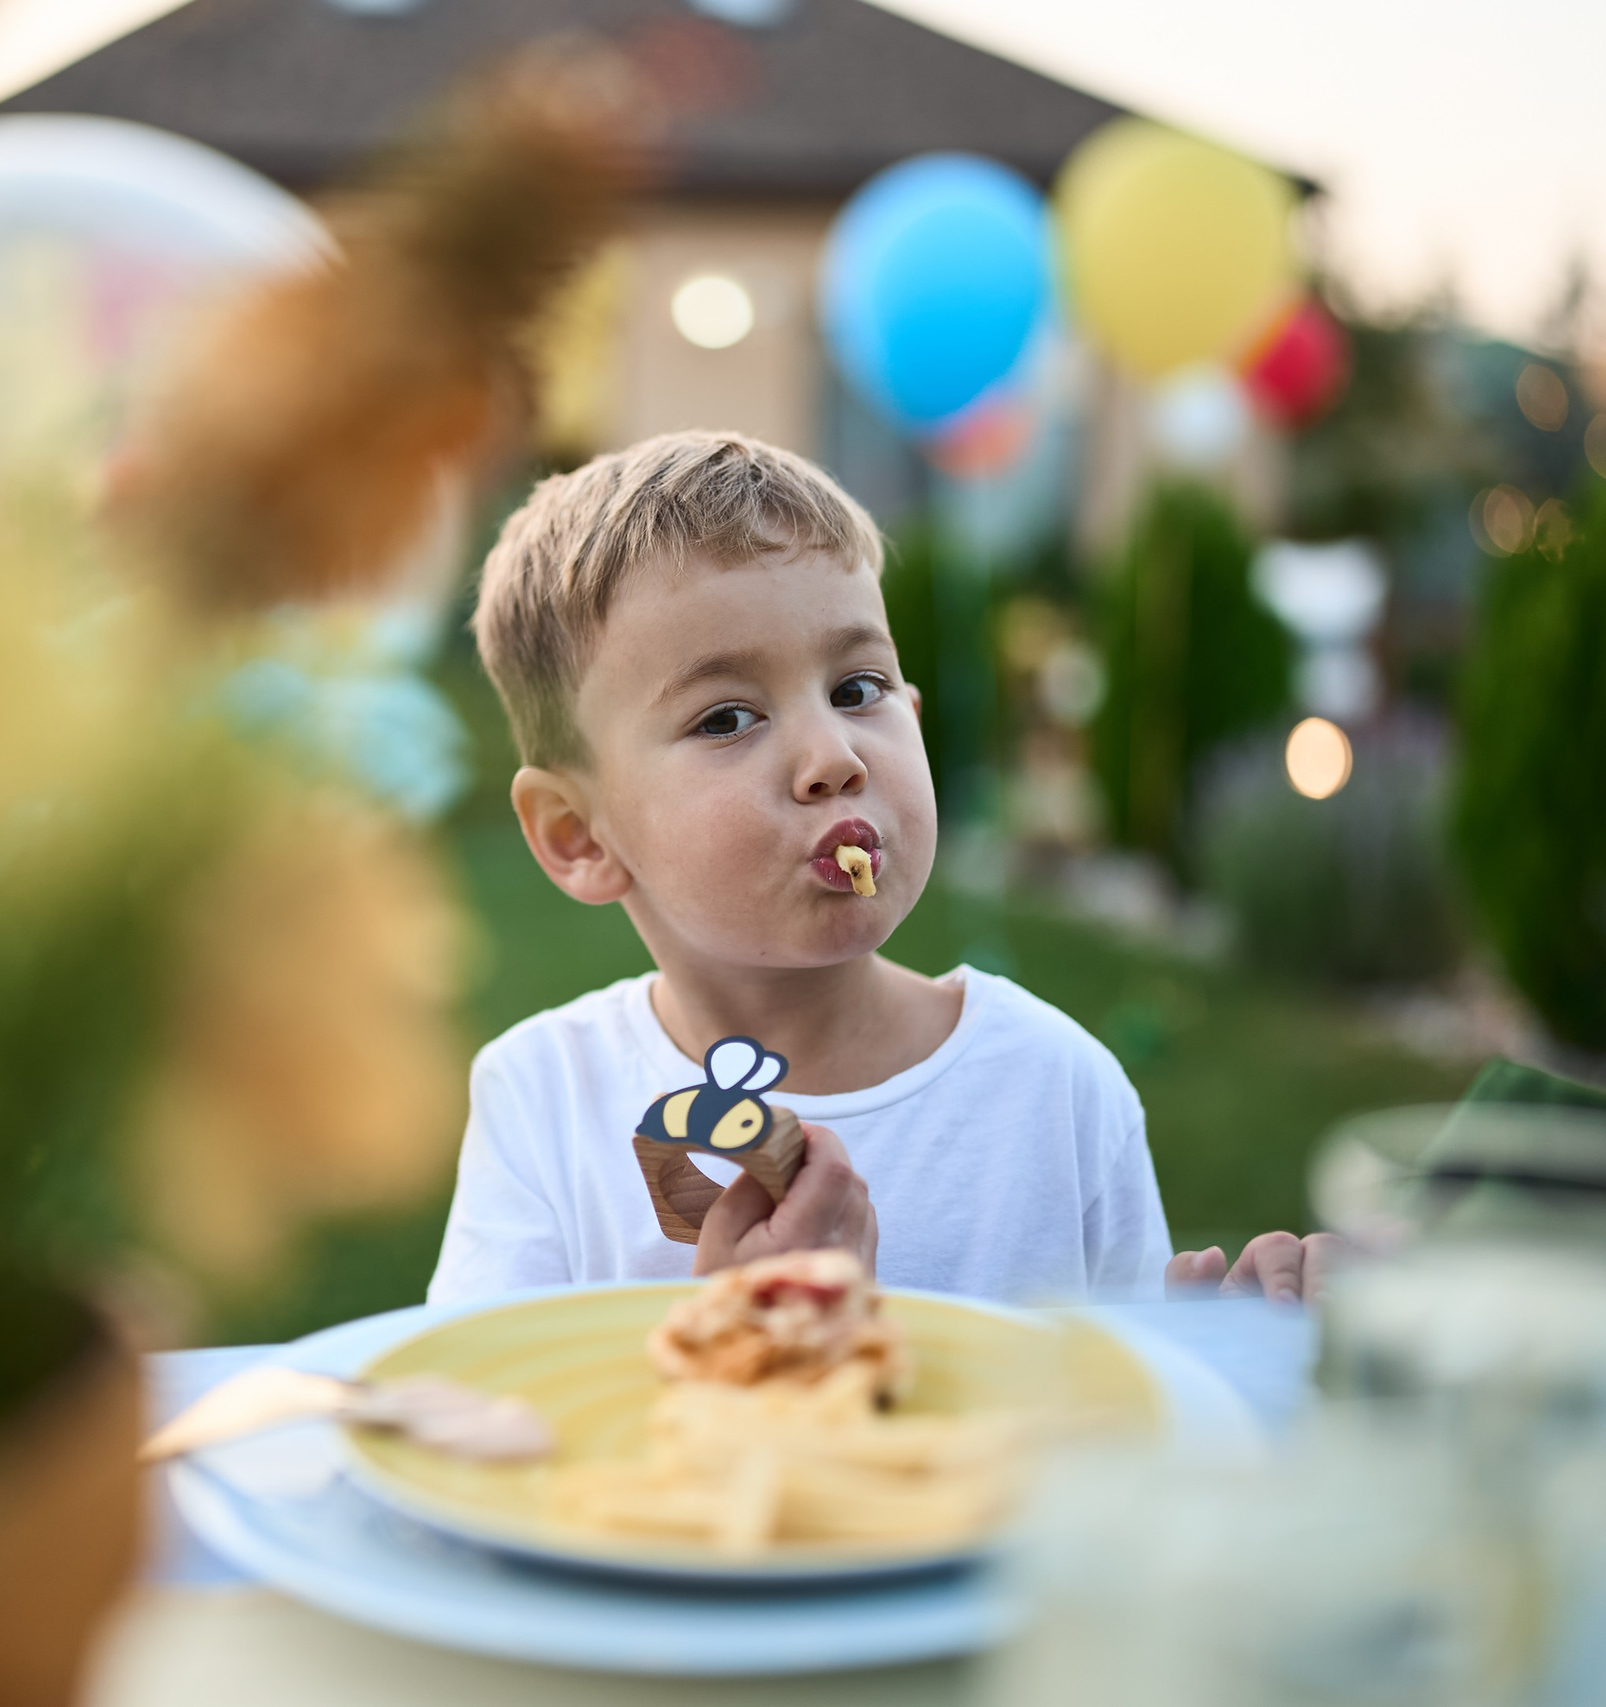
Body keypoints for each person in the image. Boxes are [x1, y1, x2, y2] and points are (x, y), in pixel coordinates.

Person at [426, 430, 1336, 1309]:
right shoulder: (546, 1099)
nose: (833, 754)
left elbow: (1120, 1433)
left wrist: (1211, 1354)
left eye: (857, 690)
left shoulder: (1053, 1090)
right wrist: (753, 1332)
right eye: (726, 718)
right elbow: (479, 1426)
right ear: (579, 833)